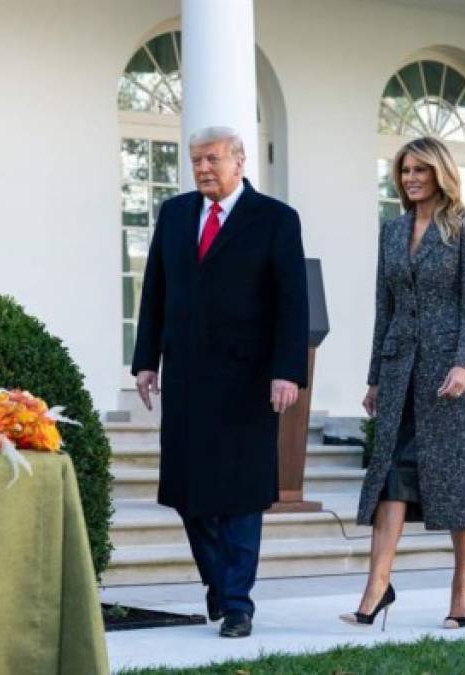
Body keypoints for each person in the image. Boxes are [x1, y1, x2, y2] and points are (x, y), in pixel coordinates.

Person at [132, 126, 308, 638]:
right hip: (186, 375)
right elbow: (155, 291)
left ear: (239, 160)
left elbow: (292, 303)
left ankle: (236, 604)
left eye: (212, 159)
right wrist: (146, 360)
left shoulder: (276, 219)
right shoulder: (175, 214)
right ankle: (220, 583)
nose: (203, 168)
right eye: (195, 160)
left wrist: (287, 370)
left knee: (240, 492)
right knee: (188, 492)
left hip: (249, 380)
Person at [341, 136, 465, 631]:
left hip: (448, 376)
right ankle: (376, 588)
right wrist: (374, 377)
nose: (410, 178)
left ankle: (462, 583)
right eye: (405, 170)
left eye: (419, 170)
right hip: (398, 371)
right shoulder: (391, 232)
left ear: (440, 173)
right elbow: (383, 308)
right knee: (390, 475)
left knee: (457, 486)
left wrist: (464, 364)